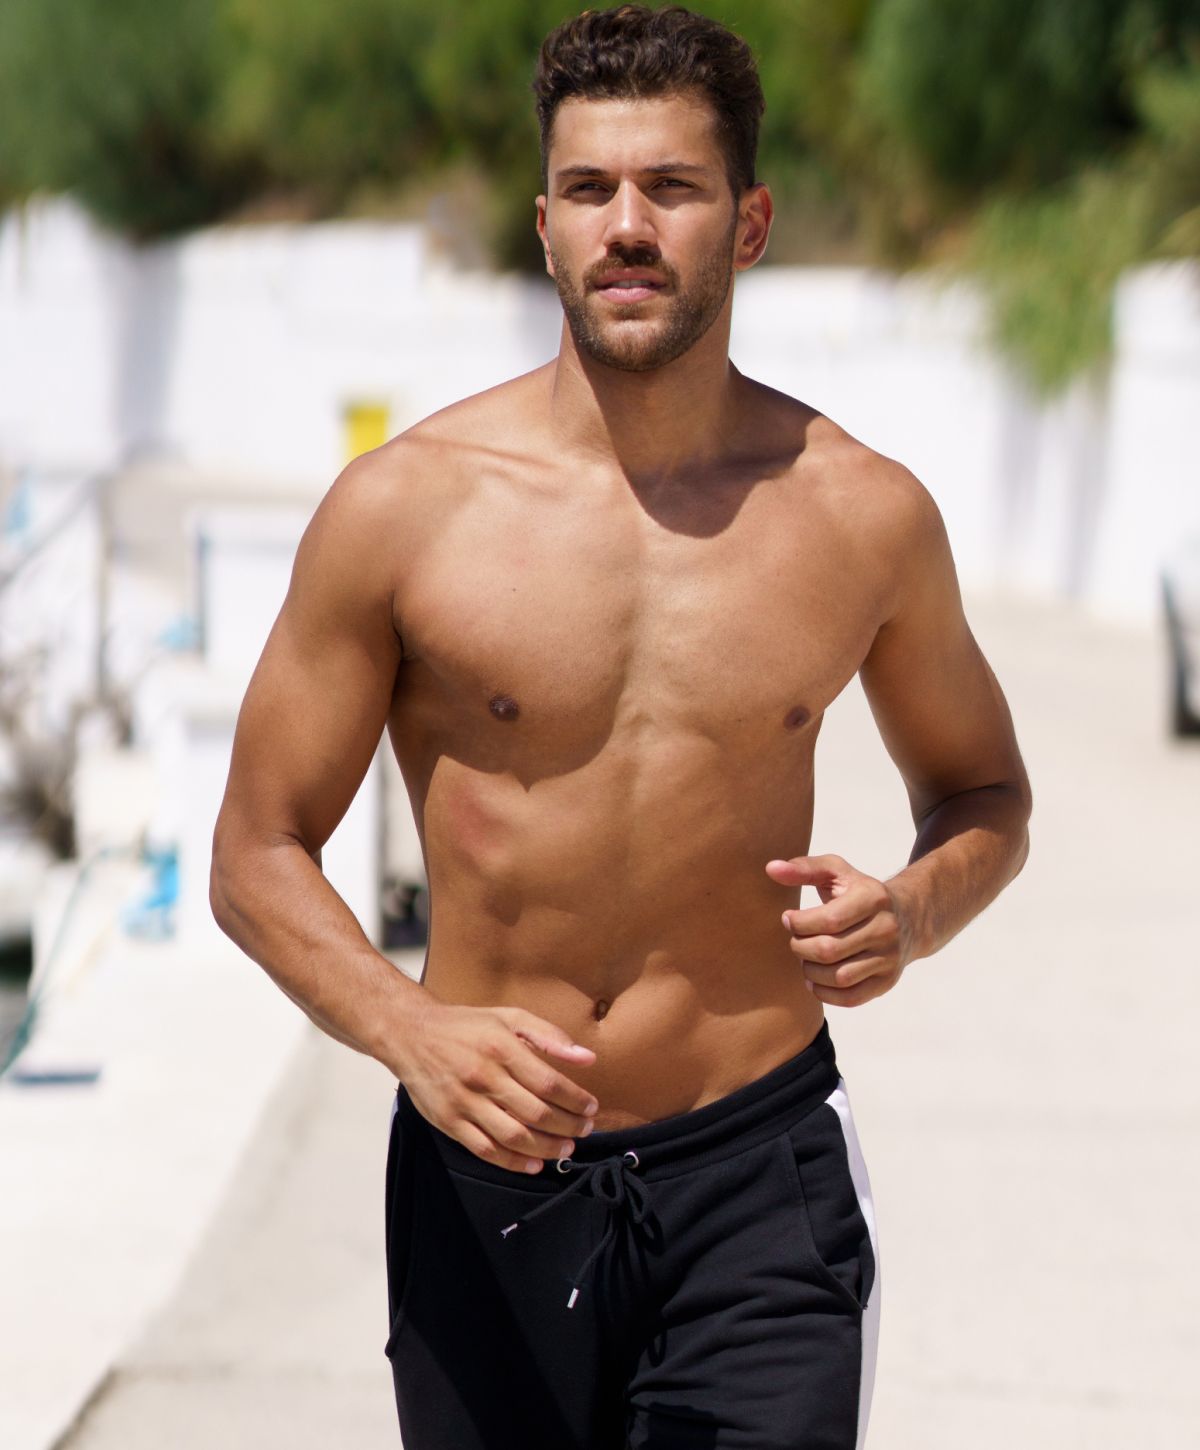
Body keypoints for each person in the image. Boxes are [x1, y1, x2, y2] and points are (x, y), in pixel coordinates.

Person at [209, 6, 1032, 1447]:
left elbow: (987, 790)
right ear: (543, 226)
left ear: (752, 219)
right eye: (591, 191)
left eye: (673, 187)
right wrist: (412, 1032)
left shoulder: (862, 517)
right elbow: (254, 850)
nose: (628, 226)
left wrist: (910, 913)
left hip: (758, 1179)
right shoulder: (406, 512)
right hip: (487, 1183)